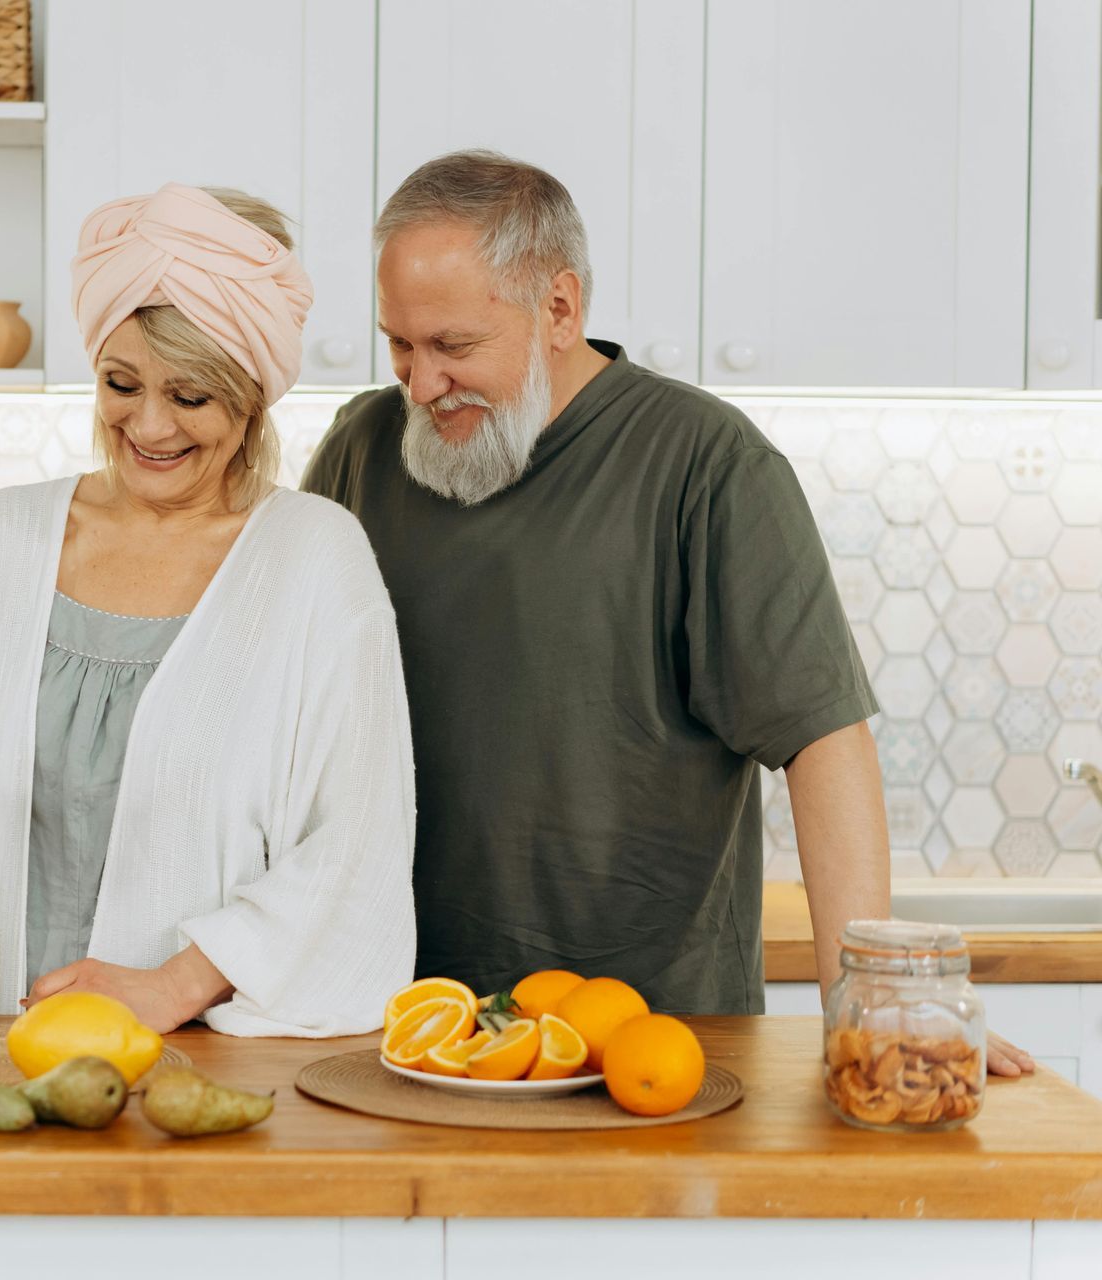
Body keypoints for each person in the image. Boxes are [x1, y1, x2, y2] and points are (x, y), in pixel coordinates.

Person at [301, 148, 1032, 1076]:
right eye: (398, 344)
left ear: (560, 309)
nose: (420, 382)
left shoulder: (708, 465)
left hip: (652, 1042)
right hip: (402, 1030)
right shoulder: (362, 451)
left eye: (452, 346)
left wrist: (872, 999)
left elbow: (823, 742)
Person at [0, 182, 417, 1037]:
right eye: (121, 383)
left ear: (251, 399)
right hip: (4, 1051)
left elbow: (358, 844)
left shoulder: (315, 559)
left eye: (191, 397)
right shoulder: (1, 542)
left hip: (207, 1061)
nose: (149, 425)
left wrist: (173, 986)